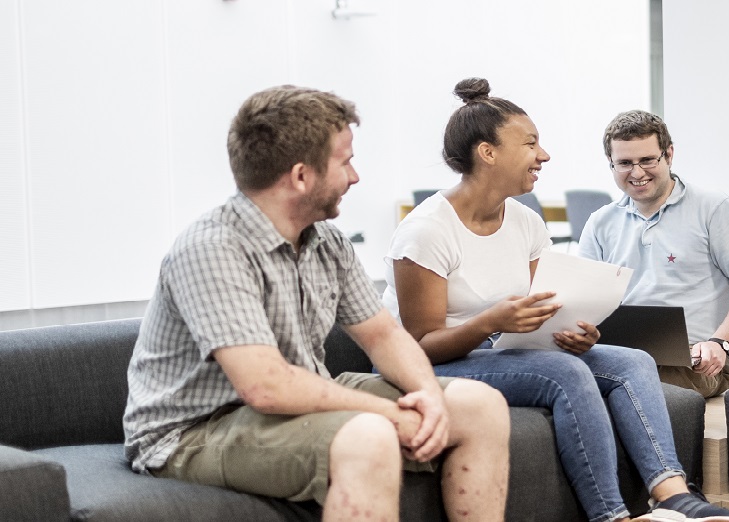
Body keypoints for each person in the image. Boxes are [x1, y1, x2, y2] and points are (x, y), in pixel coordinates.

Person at [123, 85, 510, 522]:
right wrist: (389, 413)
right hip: (194, 430)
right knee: (370, 435)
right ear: (302, 176)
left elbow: (383, 334)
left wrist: (428, 396)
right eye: (345, 161)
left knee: (480, 406)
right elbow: (265, 387)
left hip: (291, 402)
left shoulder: (326, 241)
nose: (356, 176)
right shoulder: (212, 249)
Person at [382, 78, 729, 522]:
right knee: (565, 372)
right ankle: (610, 515)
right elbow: (417, 346)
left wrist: (573, 331)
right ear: (488, 153)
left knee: (632, 361)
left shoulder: (524, 221)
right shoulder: (426, 232)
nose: (544, 154)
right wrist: (489, 322)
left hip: (500, 347)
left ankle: (672, 493)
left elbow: (544, 310)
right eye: (531, 143)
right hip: (438, 360)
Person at [578, 110, 729, 398]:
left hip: (699, 362)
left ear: (669, 155)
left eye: (647, 160)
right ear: (611, 164)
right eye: (625, 163)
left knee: (615, 390)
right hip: (620, 355)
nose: (637, 173)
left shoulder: (714, 208)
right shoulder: (600, 222)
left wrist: (720, 342)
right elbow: (584, 300)